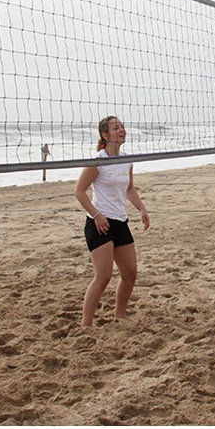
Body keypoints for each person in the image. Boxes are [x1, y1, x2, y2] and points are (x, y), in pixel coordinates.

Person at [74, 116, 150, 328]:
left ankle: (120, 314)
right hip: (99, 223)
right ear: (105, 135)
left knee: (130, 273)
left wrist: (141, 208)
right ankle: (86, 324)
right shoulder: (98, 161)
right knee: (103, 277)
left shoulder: (126, 160)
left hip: (120, 222)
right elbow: (79, 192)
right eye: (117, 128)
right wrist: (97, 215)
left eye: (123, 126)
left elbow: (129, 189)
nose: (122, 130)